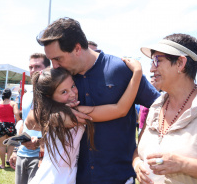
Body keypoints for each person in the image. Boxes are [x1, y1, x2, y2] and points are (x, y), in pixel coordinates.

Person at [34, 17, 160, 184]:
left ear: (77, 48)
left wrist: (140, 150)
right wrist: (55, 116)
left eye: (58, 58)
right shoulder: (60, 77)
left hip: (119, 177)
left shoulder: (121, 69)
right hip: (74, 179)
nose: (54, 65)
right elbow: (32, 118)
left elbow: (160, 106)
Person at [28, 57, 142, 183]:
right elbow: (119, 110)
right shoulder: (73, 114)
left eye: (73, 86)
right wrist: (137, 73)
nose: (72, 93)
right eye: (64, 92)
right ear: (50, 97)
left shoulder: (54, 112)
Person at [132, 33, 197, 184]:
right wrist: (137, 164)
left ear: (180, 63)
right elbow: (138, 152)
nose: (151, 69)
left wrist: (183, 165)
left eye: (157, 61)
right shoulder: (155, 108)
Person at [9, 53, 50, 184]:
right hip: (22, 154)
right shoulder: (27, 95)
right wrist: (15, 149)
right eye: (30, 67)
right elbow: (23, 124)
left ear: (48, 68)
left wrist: (41, 145)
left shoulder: (54, 95)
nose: (33, 70)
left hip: (41, 156)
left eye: (37, 66)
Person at [0, 88, 20, 169]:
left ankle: (3, 164)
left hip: (0, 125)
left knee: (2, 146)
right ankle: (8, 158)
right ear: (10, 95)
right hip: (10, 125)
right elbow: (16, 113)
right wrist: (18, 122)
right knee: (11, 143)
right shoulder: (13, 103)